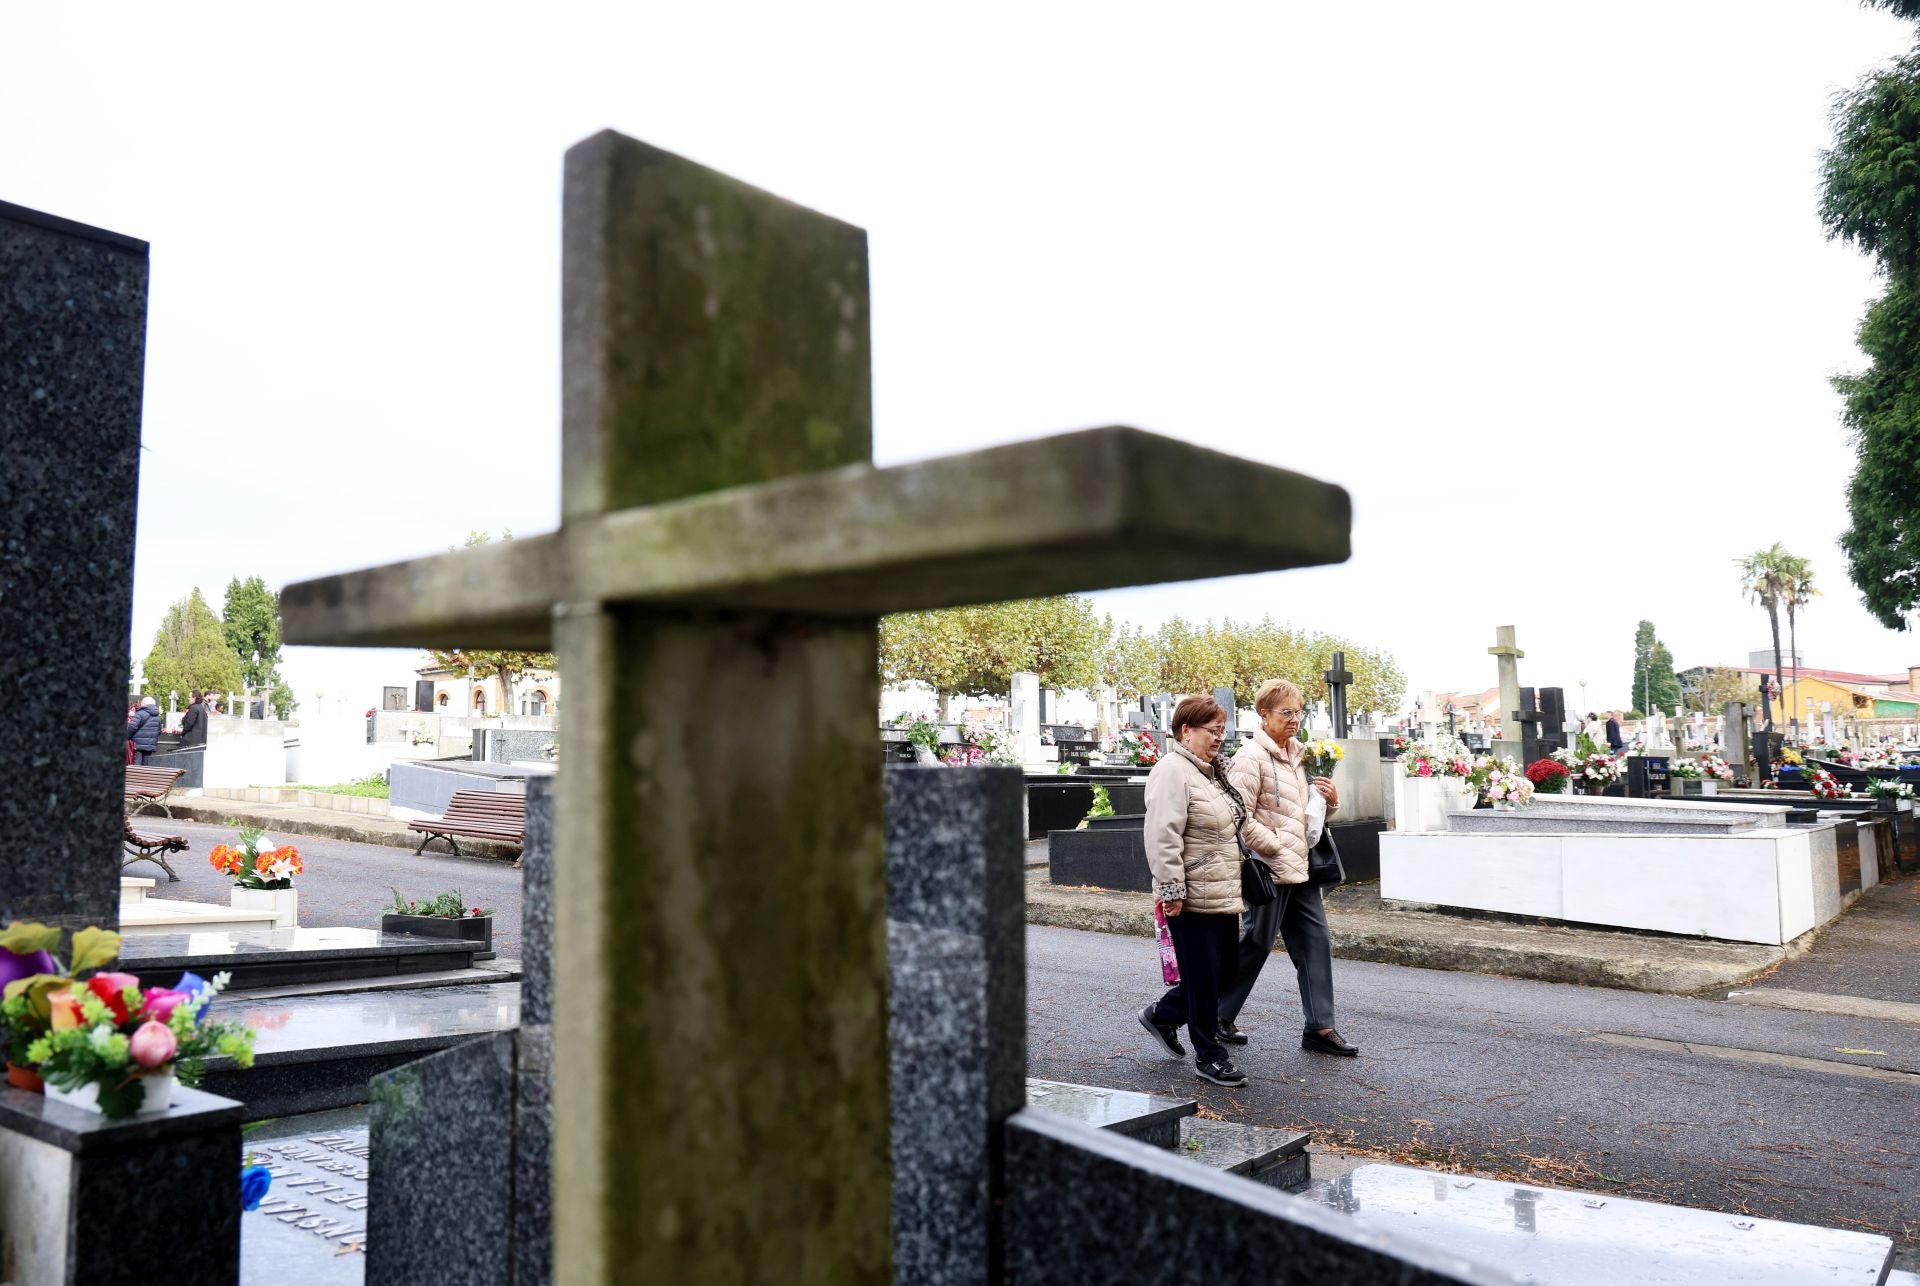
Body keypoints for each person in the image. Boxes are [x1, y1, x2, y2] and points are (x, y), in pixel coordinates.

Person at [1218, 678, 1355, 1057]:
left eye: (1299, 712)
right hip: (1269, 868)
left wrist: (1333, 801)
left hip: (1303, 868)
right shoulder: (1250, 758)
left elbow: (1305, 812)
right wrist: (1275, 846)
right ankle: (1216, 1014)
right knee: (1256, 942)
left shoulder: (1301, 754)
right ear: (1264, 715)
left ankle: (1320, 1027)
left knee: (1315, 942)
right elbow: (1237, 815)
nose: (1295, 719)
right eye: (1287, 713)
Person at [1136, 695, 1250, 1087]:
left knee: (1224, 974)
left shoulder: (1209, 771)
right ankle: (1209, 1056)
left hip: (1222, 890)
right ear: (1187, 731)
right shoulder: (1173, 771)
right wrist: (1171, 889)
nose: (1220, 737)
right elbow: (1162, 835)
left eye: (1223, 730)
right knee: (1204, 979)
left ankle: (1163, 1015)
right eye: (1212, 730)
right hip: (1191, 892)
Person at [128, 696, 161, 765]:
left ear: (144, 703)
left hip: (137, 744)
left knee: (136, 764)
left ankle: (136, 776)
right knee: (146, 766)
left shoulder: (140, 713)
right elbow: (159, 731)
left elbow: (132, 727)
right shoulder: (157, 716)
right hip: (150, 745)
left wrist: (127, 736)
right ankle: (145, 776)